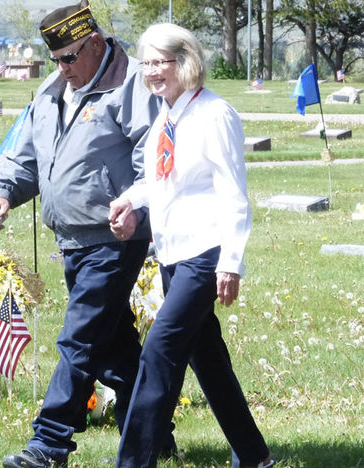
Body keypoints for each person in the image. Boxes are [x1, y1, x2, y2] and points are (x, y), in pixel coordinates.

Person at [0, 2, 175, 467]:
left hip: (114, 237)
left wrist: (133, 207)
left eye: (69, 57)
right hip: (71, 239)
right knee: (113, 348)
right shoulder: (53, 89)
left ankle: (49, 445)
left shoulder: (131, 86)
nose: (62, 68)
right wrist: (4, 191)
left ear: (94, 44)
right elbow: (26, 153)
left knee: (80, 338)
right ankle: (152, 432)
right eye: (55, 60)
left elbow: (151, 156)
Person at [109, 23, 274, 468]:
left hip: (206, 253)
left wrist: (230, 263)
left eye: (160, 62)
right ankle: (255, 456)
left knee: (159, 350)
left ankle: (133, 462)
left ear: (186, 62)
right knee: (209, 361)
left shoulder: (214, 114)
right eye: (146, 63)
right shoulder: (166, 117)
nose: (152, 72)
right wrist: (129, 200)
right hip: (172, 254)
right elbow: (163, 183)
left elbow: (233, 193)